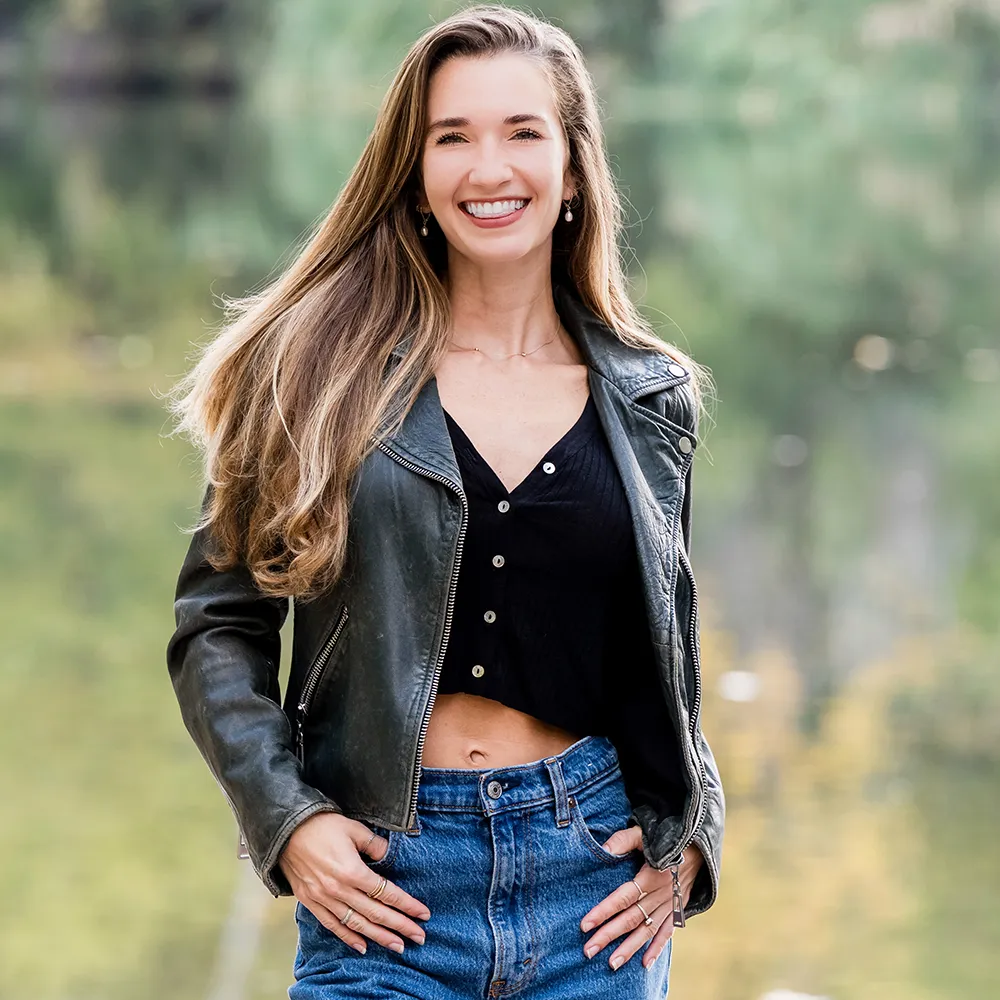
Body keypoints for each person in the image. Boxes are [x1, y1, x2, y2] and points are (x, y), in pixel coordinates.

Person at [165, 4, 725, 997]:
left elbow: (669, 649)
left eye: (522, 132)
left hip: (591, 896)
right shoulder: (308, 369)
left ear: (572, 164)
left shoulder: (652, 395)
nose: (488, 167)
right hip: (387, 887)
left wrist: (692, 835)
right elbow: (217, 625)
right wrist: (287, 819)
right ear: (415, 171)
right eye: (452, 136)